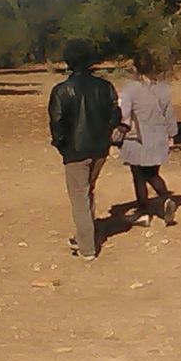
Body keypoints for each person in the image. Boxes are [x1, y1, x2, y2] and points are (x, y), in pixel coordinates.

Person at [48, 39, 122, 261]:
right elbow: (115, 115)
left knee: (79, 196)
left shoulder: (62, 90)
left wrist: (61, 146)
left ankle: (87, 248)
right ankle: (84, 236)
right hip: (100, 149)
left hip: (75, 150)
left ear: (68, 62)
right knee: (88, 191)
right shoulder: (105, 87)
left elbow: (57, 123)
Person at [116, 51, 179, 227]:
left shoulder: (130, 90)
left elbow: (124, 115)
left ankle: (145, 210)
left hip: (138, 140)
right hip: (159, 138)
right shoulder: (163, 88)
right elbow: (169, 114)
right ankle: (165, 200)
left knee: (139, 175)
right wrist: (171, 135)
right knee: (152, 173)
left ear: (135, 68)